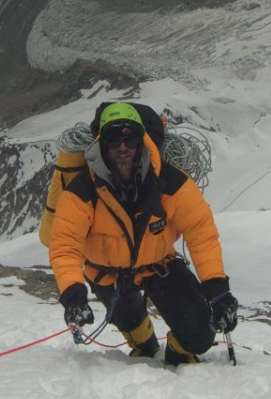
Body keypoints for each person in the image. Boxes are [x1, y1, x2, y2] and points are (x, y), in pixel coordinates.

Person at [48, 101, 238, 365]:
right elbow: (65, 246)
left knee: (199, 334)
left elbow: (201, 234)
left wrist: (218, 291)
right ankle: (145, 349)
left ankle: (176, 356)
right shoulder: (82, 191)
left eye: (130, 138)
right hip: (107, 272)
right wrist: (73, 296)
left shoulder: (170, 182)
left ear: (141, 141)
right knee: (133, 329)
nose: (122, 147)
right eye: (114, 139)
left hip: (159, 265)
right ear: (103, 144)